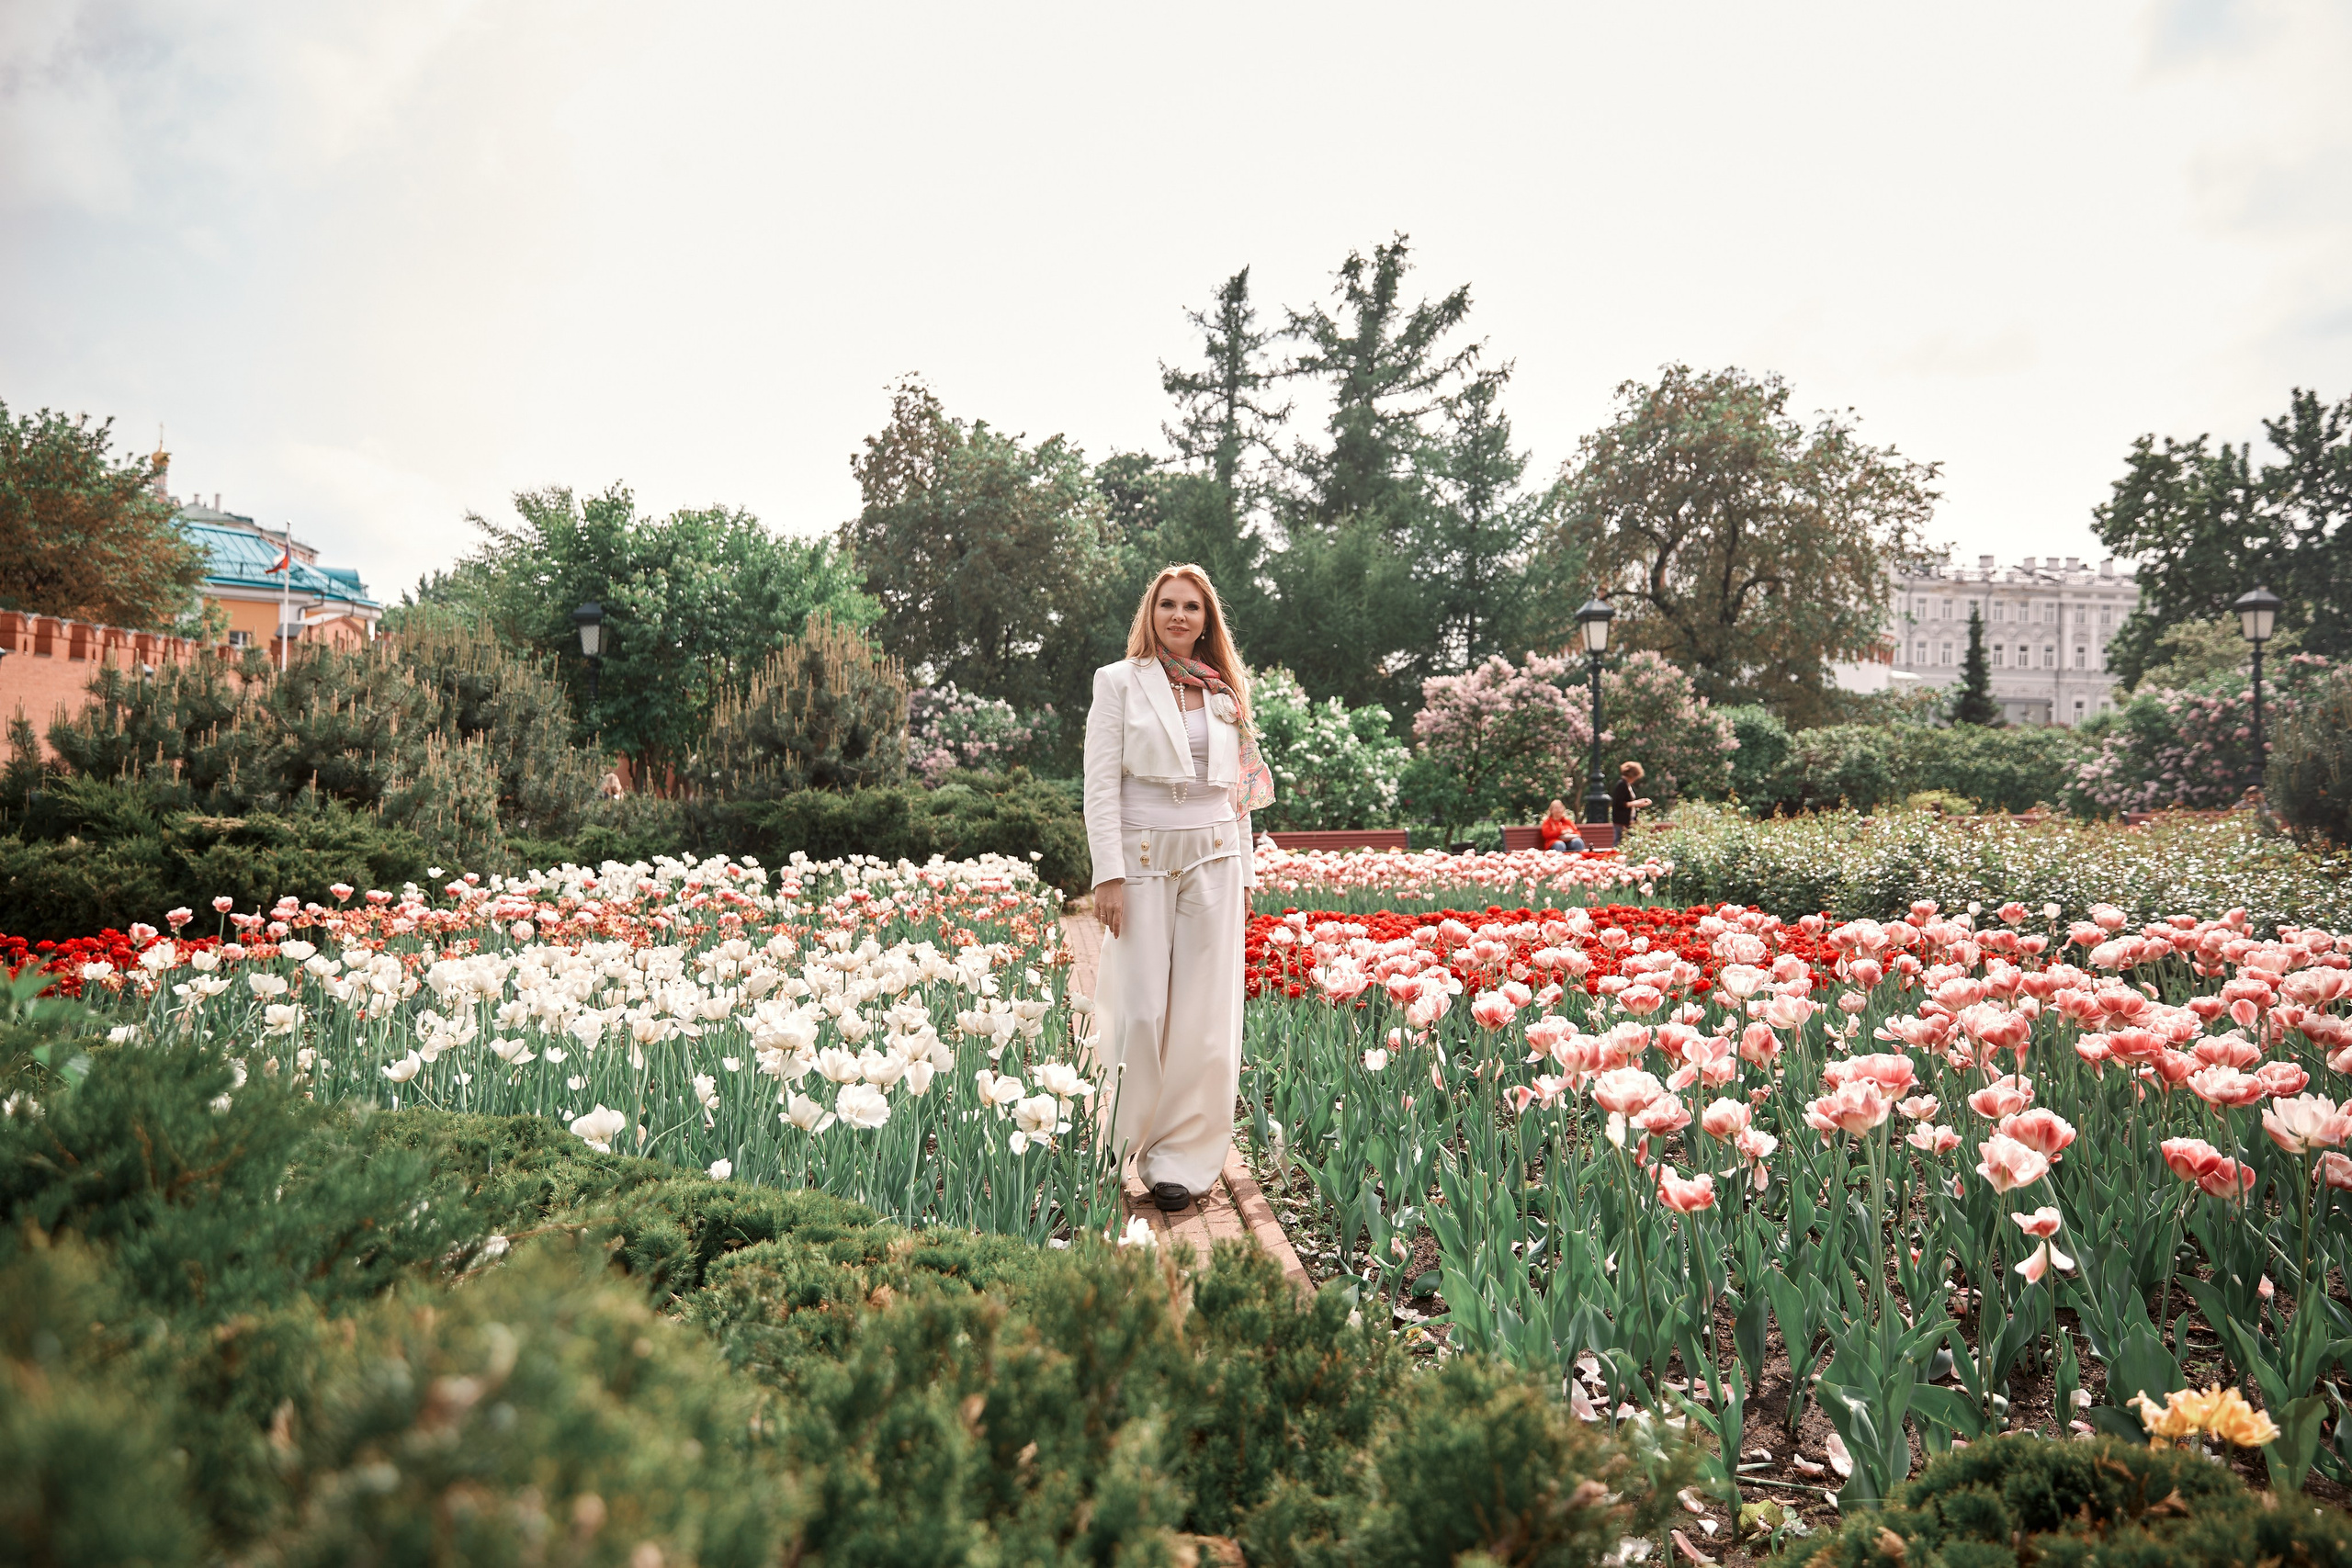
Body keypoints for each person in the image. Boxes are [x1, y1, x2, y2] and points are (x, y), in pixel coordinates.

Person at [1083, 564, 1276, 1213]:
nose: (1178, 615)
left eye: (1191, 606)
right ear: (1152, 612)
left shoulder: (1224, 690)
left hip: (1216, 858)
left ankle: (1178, 1162)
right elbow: (1100, 784)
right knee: (1140, 1011)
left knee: (1204, 1016)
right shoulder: (1118, 681)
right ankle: (1116, 1144)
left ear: (1206, 618)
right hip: (1140, 860)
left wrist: (1246, 873)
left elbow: (1237, 795)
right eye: (1167, 604)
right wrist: (1107, 873)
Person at [1611, 761, 1653, 833]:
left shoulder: (1627, 785)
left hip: (1628, 820)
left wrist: (1639, 802)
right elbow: (1619, 803)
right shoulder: (1622, 785)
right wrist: (1636, 803)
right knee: (1620, 838)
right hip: (1621, 821)